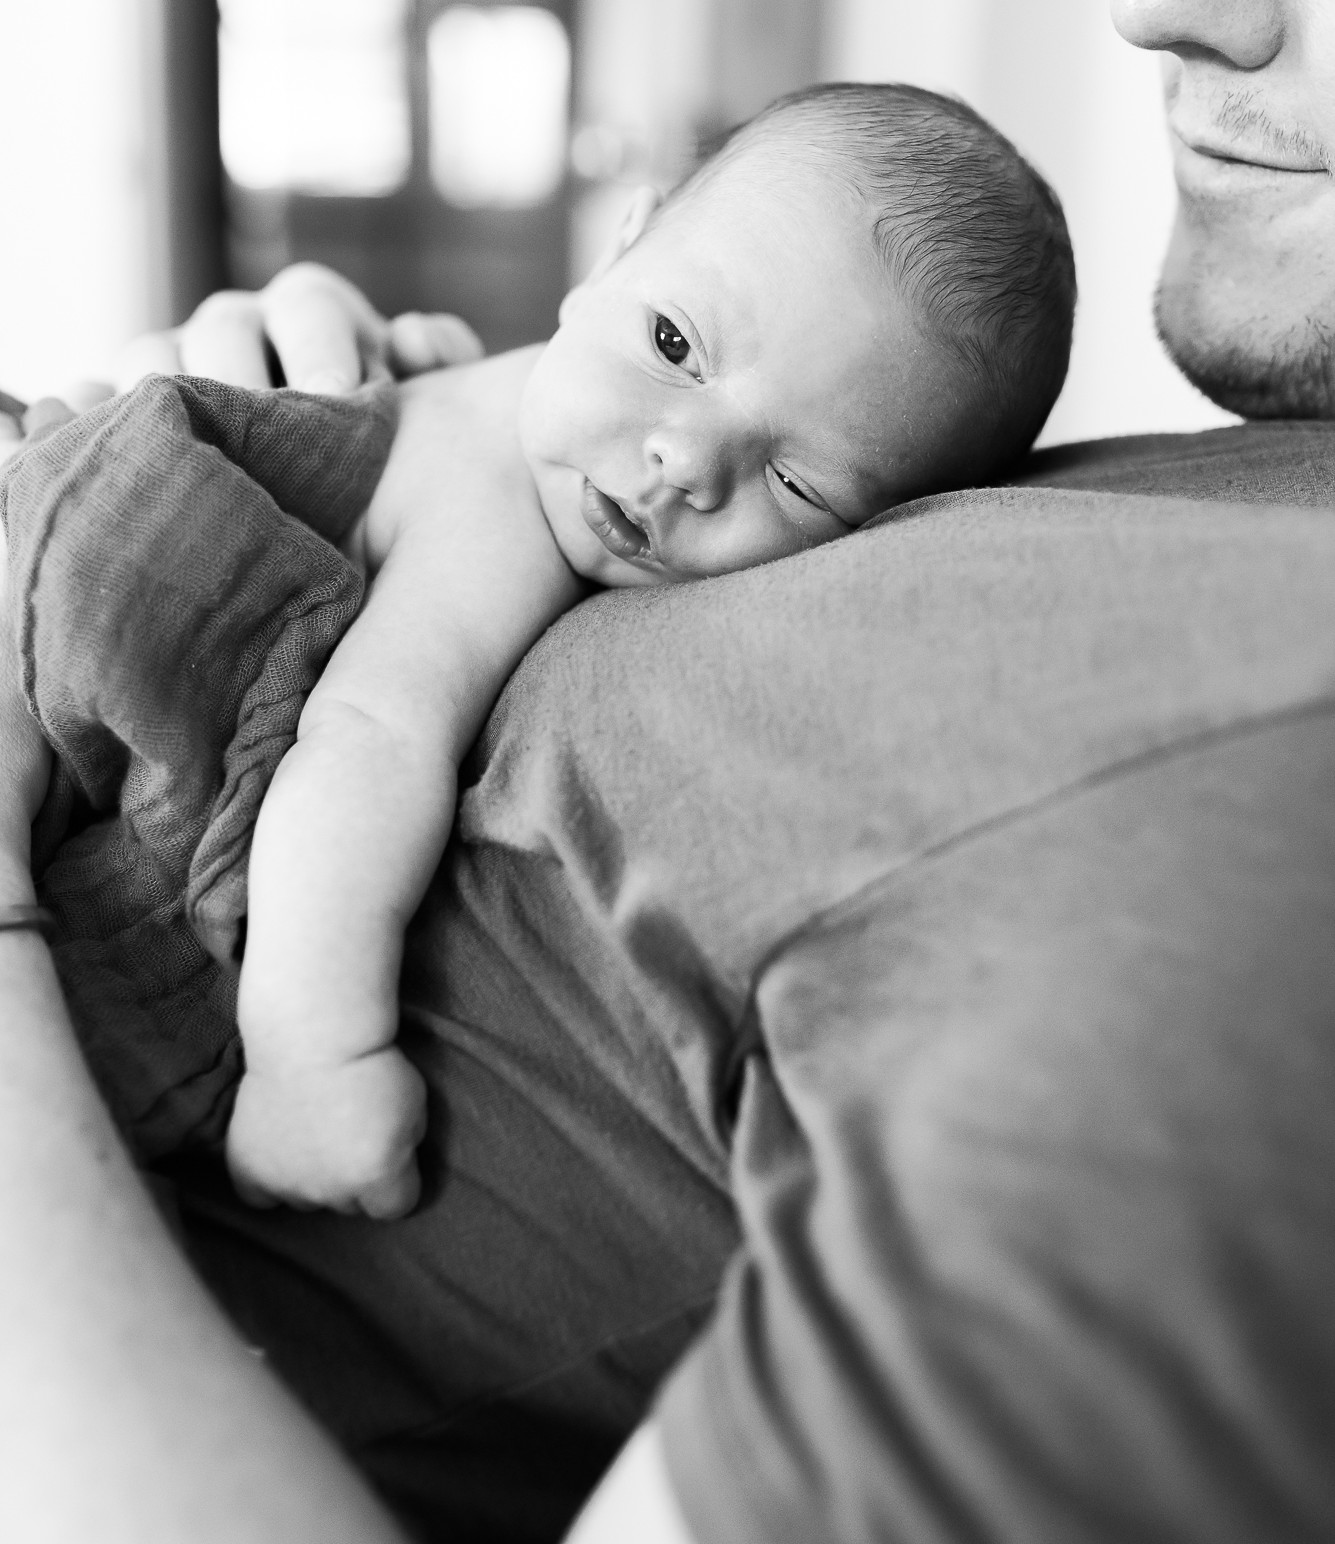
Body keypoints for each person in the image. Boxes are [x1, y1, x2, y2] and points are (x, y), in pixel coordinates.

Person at [1, 0, 1334, 1544]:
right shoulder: (1237, 484)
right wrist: (316, 446)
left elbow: (380, 731)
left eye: (792, 486)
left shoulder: (1244, 886)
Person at [3, 83, 1075, 1220]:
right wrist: (313, 1058)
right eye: (675, 343)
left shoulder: (555, 440)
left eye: (798, 481)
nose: (682, 460)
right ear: (619, 245)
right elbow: (368, 732)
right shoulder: (499, 490)